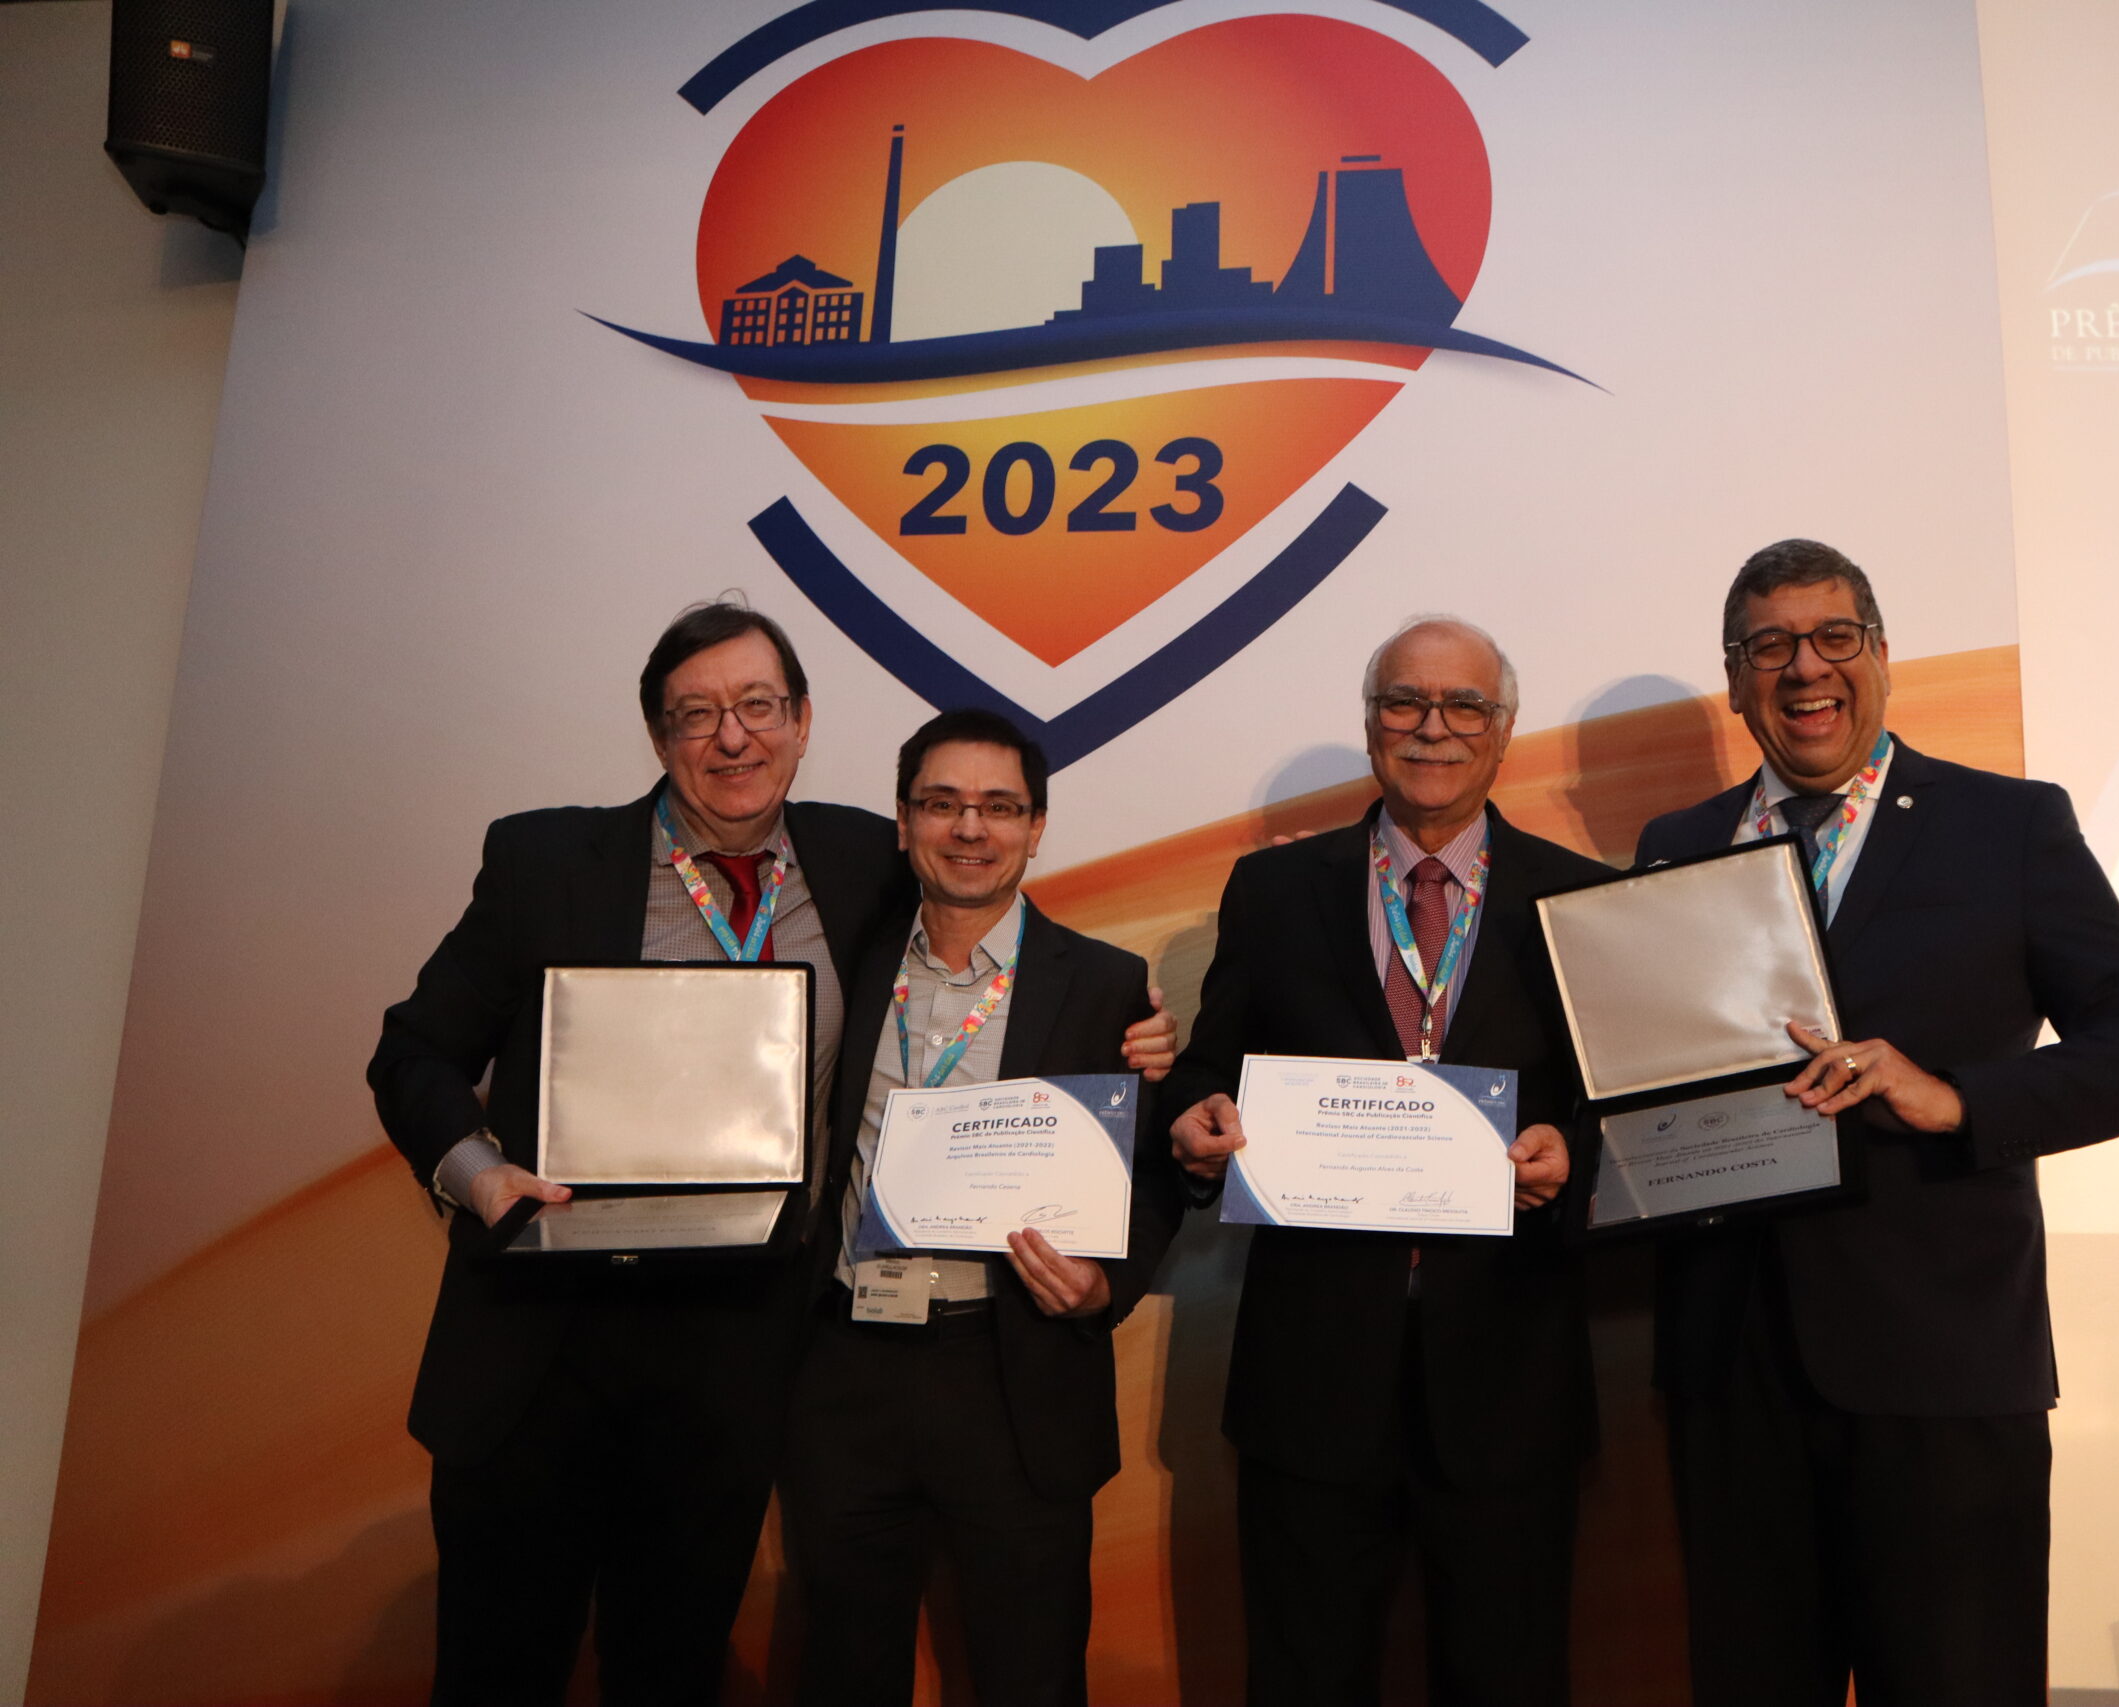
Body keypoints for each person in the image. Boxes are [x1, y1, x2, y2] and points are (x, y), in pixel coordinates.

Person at [367, 604, 1173, 1707]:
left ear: (801, 722)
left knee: (671, 1671)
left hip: (732, 1365)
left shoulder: (858, 861)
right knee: (496, 1673)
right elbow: (413, 1052)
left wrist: (1143, 1033)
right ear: (658, 735)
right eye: (697, 714)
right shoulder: (544, 861)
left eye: (757, 705)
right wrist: (479, 1176)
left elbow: (993, 930)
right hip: (542, 1347)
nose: (732, 737)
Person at [1635, 540, 2119, 1706]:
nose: (1806, 668)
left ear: (1882, 656)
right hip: (1733, 1378)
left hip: (1941, 1375)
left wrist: (1955, 1096)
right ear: (1736, 680)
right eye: (1770, 647)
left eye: (1833, 637)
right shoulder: (1676, 846)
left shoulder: (2008, 827)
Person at [1163, 615, 1612, 1707]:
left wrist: (1573, 1151)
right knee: (1304, 1678)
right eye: (1405, 702)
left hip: (1508, 1370)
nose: (1432, 727)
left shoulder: (1577, 895)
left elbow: (1612, 1104)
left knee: (1508, 1681)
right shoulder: (1273, 891)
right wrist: (1193, 1120)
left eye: (1464, 706)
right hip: (1311, 1374)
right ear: (1372, 724)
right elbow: (1207, 1070)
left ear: (1503, 731)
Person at [780, 708, 1185, 1707]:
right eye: (943, 803)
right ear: (904, 820)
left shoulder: (1105, 985)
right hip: (847, 1372)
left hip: (1013, 1375)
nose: (971, 828)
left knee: (1029, 1676)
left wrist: (1105, 1287)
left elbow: (1158, 1176)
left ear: (1036, 828)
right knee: (843, 1672)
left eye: (1000, 807)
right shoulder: (843, 967)